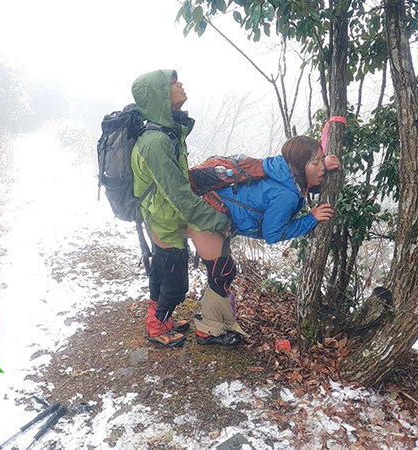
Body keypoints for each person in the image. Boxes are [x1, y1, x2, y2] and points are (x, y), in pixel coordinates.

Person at [189, 135, 340, 346]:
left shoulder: (280, 168)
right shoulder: (285, 195)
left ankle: (214, 323)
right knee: (221, 272)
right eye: (315, 162)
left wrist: (323, 166)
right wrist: (311, 219)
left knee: (222, 271)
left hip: (213, 207)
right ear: (299, 165)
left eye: (320, 160)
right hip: (210, 215)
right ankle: (209, 331)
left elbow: (299, 182)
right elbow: (273, 234)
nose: (321, 167)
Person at [130, 69, 232, 347]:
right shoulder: (155, 142)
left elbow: (178, 185)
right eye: (173, 83)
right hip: (163, 217)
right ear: (160, 96)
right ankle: (156, 328)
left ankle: (160, 319)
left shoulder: (166, 133)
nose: (180, 84)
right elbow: (178, 194)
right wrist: (217, 220)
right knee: (175, 284)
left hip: (165, 215)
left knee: (163, 271)